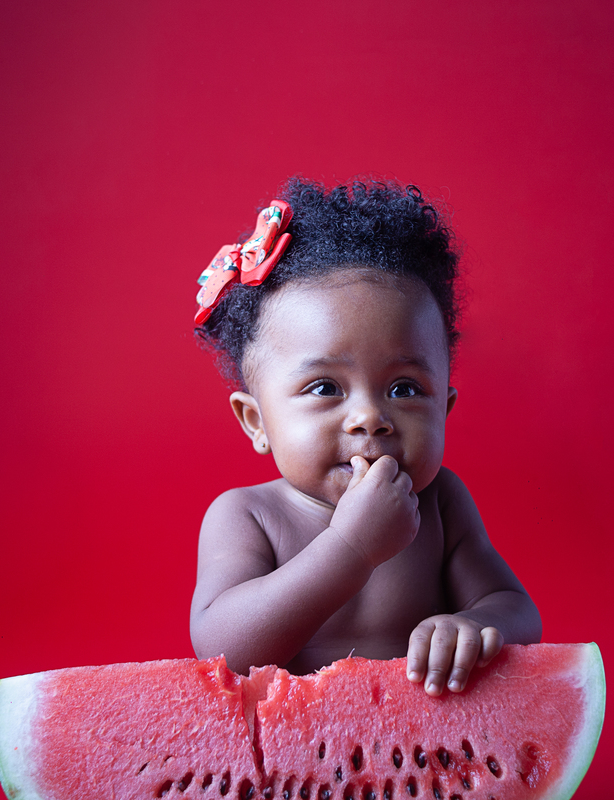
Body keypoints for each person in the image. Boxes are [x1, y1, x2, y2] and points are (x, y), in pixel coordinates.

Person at [190, 177, 541, 696]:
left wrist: (474, 625)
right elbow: (224, 648)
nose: (369, 418)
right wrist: (350, 547)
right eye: (325, 387)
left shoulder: (441, 503)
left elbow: (518, 610)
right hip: (291, 745)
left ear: (443, 410)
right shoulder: (248, 516)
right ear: (256, 422)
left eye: (405, 388)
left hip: (422, 737)